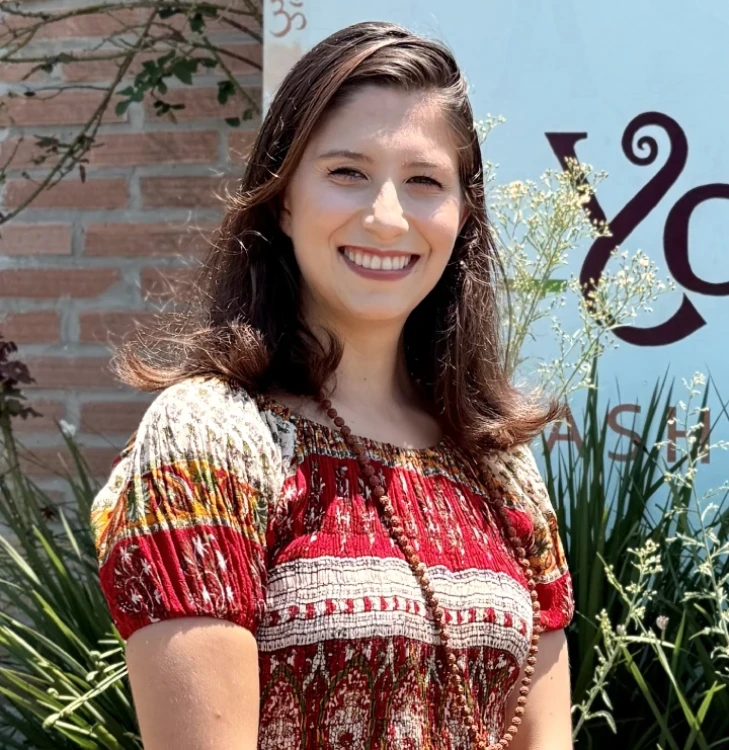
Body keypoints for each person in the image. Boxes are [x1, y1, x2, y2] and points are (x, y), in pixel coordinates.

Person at [90, 20, 574, 750]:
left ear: (462, 214)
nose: (386, 217)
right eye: (347, 172)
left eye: (424, 181)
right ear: (283, 199)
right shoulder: (207, 441)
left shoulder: (499, 464)